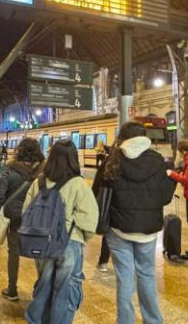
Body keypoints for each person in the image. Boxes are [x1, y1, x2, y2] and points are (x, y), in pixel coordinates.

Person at [102, 121, 176, 324]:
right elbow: (164, 199)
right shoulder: (158, 160)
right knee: (146, 274)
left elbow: (100, 195)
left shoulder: (113, 160)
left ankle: (125, 320)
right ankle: (153, 320)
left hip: (119, 228)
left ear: (123, 137)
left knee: (124, 277)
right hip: (148, 230)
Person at [23, 140, 98, 324]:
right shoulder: (78, 184)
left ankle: (35, 320)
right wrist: (81, 236)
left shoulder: (38, 182)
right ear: (73, 159)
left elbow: (26, 212)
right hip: (69, 242)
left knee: (44, 283)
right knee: (65, 287)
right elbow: (89, 220)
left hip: (41, 243)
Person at [0, 138, 45, 301]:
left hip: (15, 218)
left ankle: (12, 289)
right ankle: (42, 290)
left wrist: (0, 206)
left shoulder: (10, 168)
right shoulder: (45, 169)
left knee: (13, 253)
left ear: (19, 150)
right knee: (39, 254)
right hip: (37, 217)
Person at [91, 141, 112, 272]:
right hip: (137, 213)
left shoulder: (109, 162)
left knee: (109, 234)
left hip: (112, 205)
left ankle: (103, 262)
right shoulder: (145, 162)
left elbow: (97, 184)